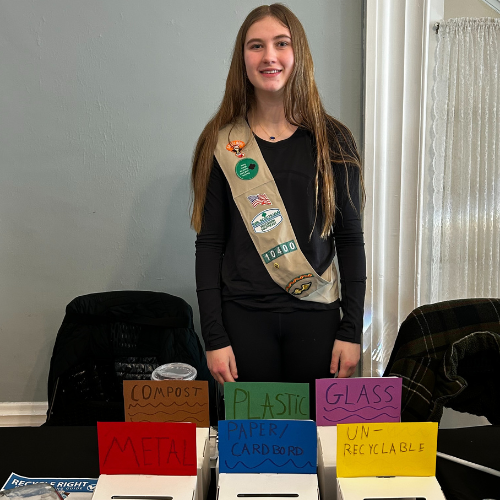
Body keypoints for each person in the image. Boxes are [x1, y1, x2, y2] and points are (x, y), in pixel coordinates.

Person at [190, 4, 366, 406]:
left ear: (297, 53)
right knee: (255, 455)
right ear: (243, 60)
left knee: (317, 449)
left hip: (318, 318)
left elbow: (350, 240)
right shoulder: (220, 143)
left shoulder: (333, 141)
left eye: (281, 43)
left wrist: (351, 329)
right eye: (256, 46)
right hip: (243, 322)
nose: (269, 56)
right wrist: (214, 337)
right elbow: (209, 245)